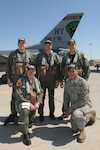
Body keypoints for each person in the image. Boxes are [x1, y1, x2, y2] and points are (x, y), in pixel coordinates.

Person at [4, 38, 35, 126]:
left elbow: (33, 67)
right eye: (20, 43)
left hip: (27, 81)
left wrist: (33, 79)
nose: (22, 45)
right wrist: (9, 78)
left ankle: (27, 115)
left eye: (23, 43)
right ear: (18, 44)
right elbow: (8, 67)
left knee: (28, 96)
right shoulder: (13, 55)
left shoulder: (30, 55)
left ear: (25, 44)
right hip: (16, 80)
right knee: (14, 97)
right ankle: (13, 114)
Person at [58, 39, 90, 120]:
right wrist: (61, 80)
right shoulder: (65, 57)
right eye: (70, 45)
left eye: (73, 44)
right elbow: (62, 69)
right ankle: (65, 112)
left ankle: (82, 113)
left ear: (75, 45)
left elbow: (87, 68)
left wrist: (85, 79)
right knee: (66, 96)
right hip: (68, 81)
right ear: (68, 46)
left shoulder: (81, 55)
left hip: (79, 81)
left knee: (82, 98)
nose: (71, 46)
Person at [63, 63, 96, 143]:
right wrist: (65, 108)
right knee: (74, 129)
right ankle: (89, 116)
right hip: (75, 106)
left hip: (85, 105)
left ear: (77, 71)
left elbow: (83, 101)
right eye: (69, 71)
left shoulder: (83, 83)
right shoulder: (67, 81)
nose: (71, 72)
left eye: (73, 71)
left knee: (76, 115)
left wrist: (71, 109)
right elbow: (66, 96)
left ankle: (82, 131)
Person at [15, 65, 43, 146]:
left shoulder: (36, 81)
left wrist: (38, 103)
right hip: (23, 102)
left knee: (30, 123)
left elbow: (41, 92)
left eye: (33, 70)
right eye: (29, 70)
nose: (31, 72)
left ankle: (19, 120)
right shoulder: (20, 81)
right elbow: (18, 95)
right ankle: (25, 134)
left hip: (34, 103)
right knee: (25, 112)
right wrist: (28, 103)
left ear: (35, 72)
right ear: (26, 71)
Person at [35, 40, 60, 121]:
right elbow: (36, 68)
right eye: (46, 45)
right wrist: (35, 81)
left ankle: (51, 113)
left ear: (51, 46)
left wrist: (58, 80)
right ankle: (41, 114)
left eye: (49, 45)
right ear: (44, 46)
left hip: (52, 80)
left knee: (51, 98)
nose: (48, 47)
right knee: (41, 98)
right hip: (42, 80)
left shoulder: (55, 56)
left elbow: (58, 69)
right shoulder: (39, 56)